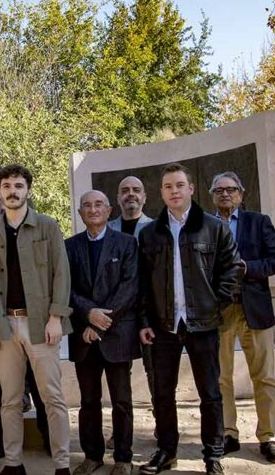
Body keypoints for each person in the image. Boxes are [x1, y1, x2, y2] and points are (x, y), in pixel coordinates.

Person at [137, 163, 240, 475]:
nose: (174, 191)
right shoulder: (150, 233)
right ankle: (166, 452)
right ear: (162, 192)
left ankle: (213, 456)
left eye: (180, 185)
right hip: (163, 325)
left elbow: (233, 269)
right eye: (168, 186)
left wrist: (215, 303)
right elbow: (141, 282)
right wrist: (144, 321)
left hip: (203, 323)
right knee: (162, 393)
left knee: (210, 393)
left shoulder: (214, 227)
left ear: (191, 189)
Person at [0, 164, 73, 475]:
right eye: (7, 186)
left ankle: (62, 464)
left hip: (40, 323)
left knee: (52, 397)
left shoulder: (47, 226)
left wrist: (56, 317)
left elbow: (62, 274)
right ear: (0, 190)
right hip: (4, 325)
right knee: (10, 399)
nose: (12, 191)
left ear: (27, 189)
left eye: (18, 185)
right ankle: (13, 463)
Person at [210, 172, 275, 464]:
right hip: (220, 311)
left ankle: (268, 437)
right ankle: (228, 433)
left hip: (254, 307)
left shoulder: (259, 222)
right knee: (220, 378)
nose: (225, 194)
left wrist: (248, 267)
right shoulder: (205, 225)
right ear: (212, 196)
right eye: (219, 191)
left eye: (230, 190)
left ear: (241, 194)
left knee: (264, 376)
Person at [66, 190, 140, 475]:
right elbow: (66, 289)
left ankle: (123, 457)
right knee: (88, 402)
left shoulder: (127, 244)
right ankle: (92, 455)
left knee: (122, 401)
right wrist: (87, 317)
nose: (93, 209)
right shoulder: (69, 246)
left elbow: (130, 287)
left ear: (109, 211)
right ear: (80, 212)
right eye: (87, 205)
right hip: (84, 336)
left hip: (116, 334)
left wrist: (100, 322)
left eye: (99, 204)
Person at [109, 175, 156, 441]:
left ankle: (163, 428)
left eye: (136, 190)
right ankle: (120, 432)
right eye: (125, 190)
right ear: (117, 198)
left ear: (144, 197)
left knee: (156, 374)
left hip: (150, 313)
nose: (131, 194)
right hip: (120, 314)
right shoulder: (109, 228)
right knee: (119, 379)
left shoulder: (156, 227)